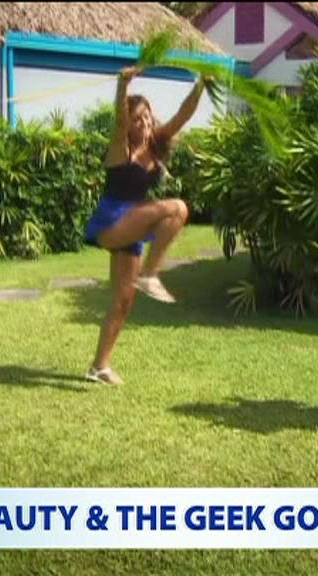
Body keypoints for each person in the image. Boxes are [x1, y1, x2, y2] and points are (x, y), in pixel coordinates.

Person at [82, 66, 207, 386]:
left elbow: (182, 115)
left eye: (147, 117)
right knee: (177, 208)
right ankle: (151, 275)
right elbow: (118, 120)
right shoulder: (120, 148)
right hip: (112, 222)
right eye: (138, 119)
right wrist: (123, 85)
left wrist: (201, 86)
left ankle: (99, 367)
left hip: (133, 224)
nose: (145, 123)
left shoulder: (156, 145)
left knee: (123, 300)